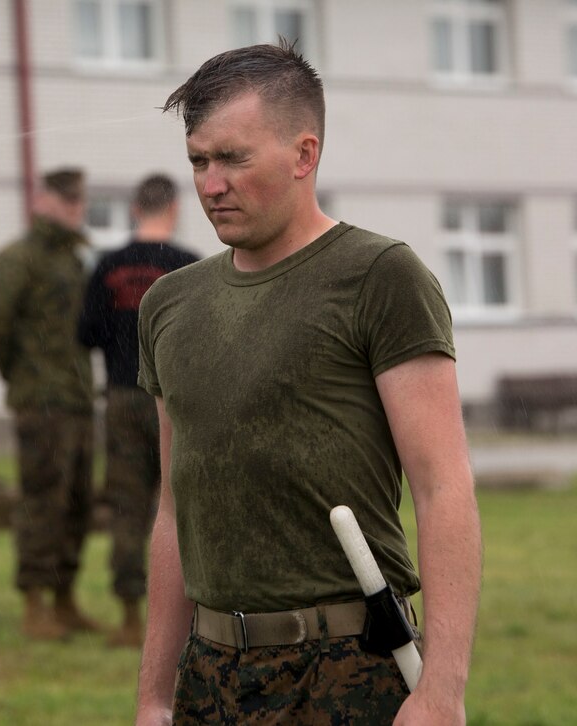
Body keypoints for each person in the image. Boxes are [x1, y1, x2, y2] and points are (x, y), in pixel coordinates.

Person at [134, 42, 481, 725]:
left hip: (349, 669)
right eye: (199, 161)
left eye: (234, 158)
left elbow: (444, 488)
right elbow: (175, 510)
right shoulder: (168, 303)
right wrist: (153, 696)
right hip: (209, 677)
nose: (210, 184)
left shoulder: (379, 275)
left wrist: (442, 688)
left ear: (303, 155)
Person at [0, 168, 102, 640]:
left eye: (79, 201)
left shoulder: (76, 259)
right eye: (65, 200)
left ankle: (65, 599)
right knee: (42, 504)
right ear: (41, 200)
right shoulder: (17, 258)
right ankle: (34, 605)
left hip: (77, 399)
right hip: (40, 402)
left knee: (78, 504)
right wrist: (21, 377)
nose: (75, 208)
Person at [77, 174, 198, 648]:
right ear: (173, 209)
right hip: (175, 401)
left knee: (128, 507)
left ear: (133, 209)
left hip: (123, 398)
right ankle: (184, 619)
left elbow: (85, 332)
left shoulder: (106, 265)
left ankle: (130, 617)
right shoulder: (189, 267)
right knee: (182, 506)